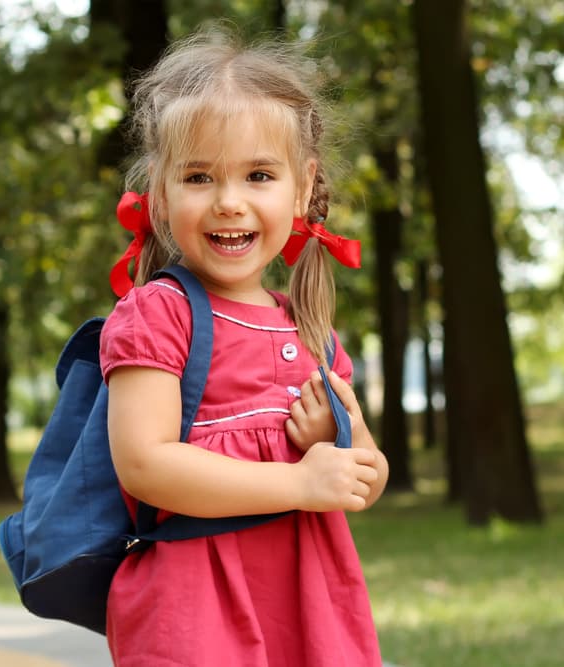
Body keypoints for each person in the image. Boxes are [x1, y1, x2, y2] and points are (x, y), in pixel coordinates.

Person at [100, 27, 390, 667]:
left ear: (303, 184)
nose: (229, 202)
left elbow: (364, 481)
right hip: (196, 611)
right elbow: (145, 466)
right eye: (199, 177)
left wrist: (341, 445)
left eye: (259, 174)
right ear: (162, 190)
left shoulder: (309, 331)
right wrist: (298, 480)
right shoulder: (158, 313)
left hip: (309, 607)